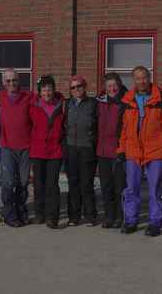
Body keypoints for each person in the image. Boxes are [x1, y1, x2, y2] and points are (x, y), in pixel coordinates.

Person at [118, 66, 162, 237]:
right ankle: (130, 220)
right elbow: (121, 129)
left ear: (149, 78)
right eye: (138, 78)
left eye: (144, 77)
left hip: (156, 151)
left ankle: (155, 222)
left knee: (155, 190)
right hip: (133, 151)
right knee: (131, 189)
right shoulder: (126, 101)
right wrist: (120, 150)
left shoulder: (161, 101)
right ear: (133, 80)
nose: (141, 81)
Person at [29, 75, 65, 229]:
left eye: (49, 89)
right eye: (44, 90)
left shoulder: (62, 105)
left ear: (54, 89)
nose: (47, 93)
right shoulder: (33, 105)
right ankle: (39, 213)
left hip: (55, 151)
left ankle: (52, 217)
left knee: (52, 185)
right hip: (38, 150)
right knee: (38, 184)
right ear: (39, 91)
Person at [0, 68, 33, 228]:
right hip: (7, 147)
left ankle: (21, 211)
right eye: (8, 81)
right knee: (8, 182)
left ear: (19, 81)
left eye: (14, 80)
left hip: (25, 146)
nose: (12, 83)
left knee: (24, 182)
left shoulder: (28, 96)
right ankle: (9, 214)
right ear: (4, 83)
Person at [64, 75, 98, 227]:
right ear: (70, 90)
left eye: (79, 86)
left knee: (87, 184)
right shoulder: (66, 104)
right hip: (71, 148)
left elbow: (98, 126)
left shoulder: (92, 104)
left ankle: (90, 215)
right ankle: (74, 216)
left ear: (85, 87)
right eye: (73, 87)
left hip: (87, 148)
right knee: (73, 183)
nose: (76, 89)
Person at [96, 73, 127, 229]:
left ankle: (121, 217)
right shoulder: (99, 102)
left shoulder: (126, 102)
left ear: (119, 85)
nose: (112, 89)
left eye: (114, 85)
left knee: (120, 187)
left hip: (118, 151)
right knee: (106, 186)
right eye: (108, 86)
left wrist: (123, 149)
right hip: (102, 151)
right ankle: (109, 216)